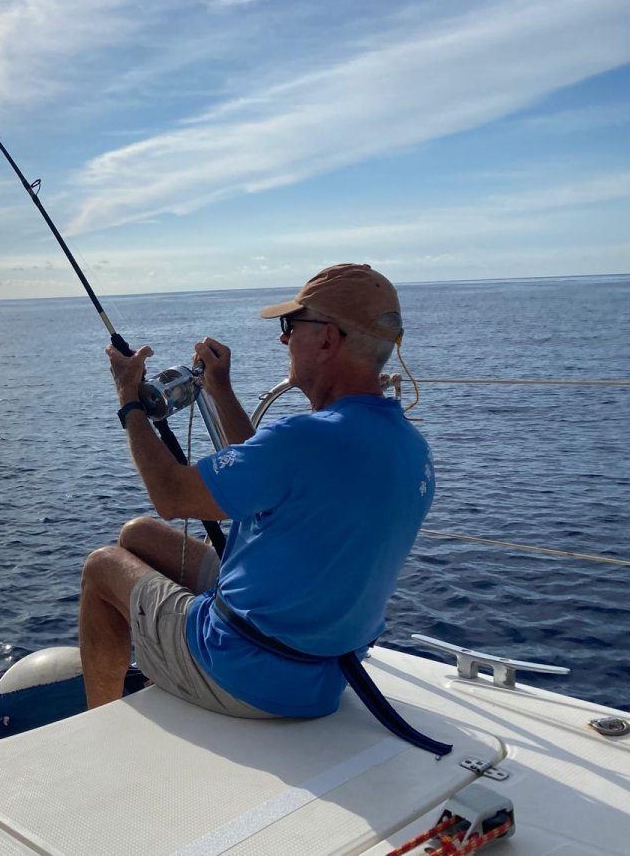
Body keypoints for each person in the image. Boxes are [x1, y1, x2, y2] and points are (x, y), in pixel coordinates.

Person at [79, 263, 434, 723]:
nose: (284, 339)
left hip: (247, 671)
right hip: (324, 667)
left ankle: (96, 727)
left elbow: (170, 495)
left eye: (292, 325)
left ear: (327, 339)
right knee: (139, 536)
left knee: (102, 567)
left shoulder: (305, 438)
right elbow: (263, 474)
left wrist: (128, 399)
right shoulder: (407, 442)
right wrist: (220, 390)